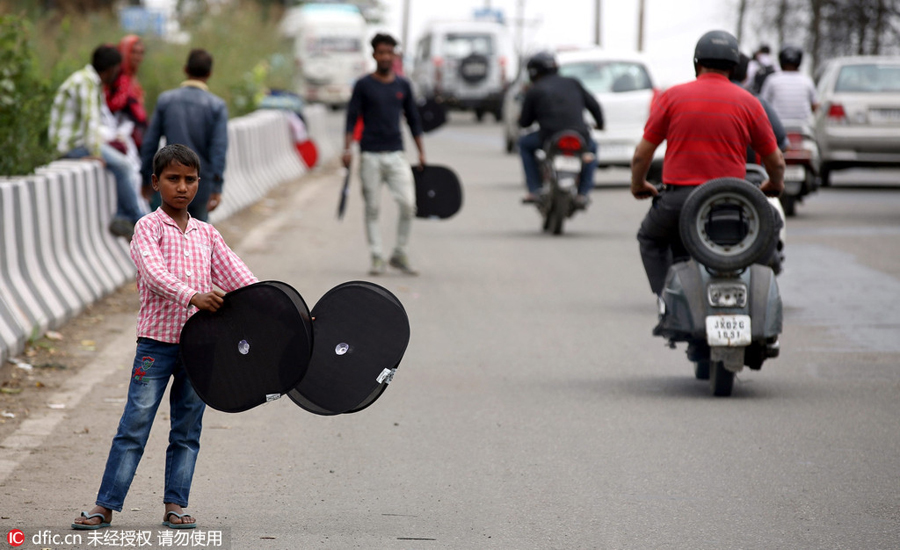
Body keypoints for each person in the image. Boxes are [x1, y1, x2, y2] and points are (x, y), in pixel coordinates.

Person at [71, 144, 258, 531]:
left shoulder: (208, 234)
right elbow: (154, 276)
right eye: (173, 179)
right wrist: (194, 296)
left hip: (200, 349)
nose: (182, 187)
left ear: (199, 184)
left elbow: (241, 279)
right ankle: (105, 506)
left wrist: (279, 308)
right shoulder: (147, 228)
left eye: (190, 180)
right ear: (156, 183)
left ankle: (176, 505)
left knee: (187, 430)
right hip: (156, 347)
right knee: (135, 425)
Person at [630, 30, 786, 296]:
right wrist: (774, 184)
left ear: (696, 63)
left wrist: (639, 185)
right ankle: (748, 292)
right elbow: (777, 162)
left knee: (650, 238)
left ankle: (667, 300)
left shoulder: (671, 97)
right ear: (734, 67)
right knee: (770, 227)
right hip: (734, 200)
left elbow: (641, 156)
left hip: (679, 201)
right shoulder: (749, 102)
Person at [342, 33, 425, 276]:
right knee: (373, 208)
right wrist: (347, 149)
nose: (386, 56)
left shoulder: (403, 86)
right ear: (374, 55)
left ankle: (399, 252)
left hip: (397, 154)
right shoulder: (363, 85)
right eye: (381, 52)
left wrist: (421, 153)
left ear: (395, 55)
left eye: (390, 52)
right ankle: (377, 256)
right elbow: (351, 119)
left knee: (408, 205)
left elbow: (414, 120)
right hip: (370, 155)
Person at [49, 44, 145, 239]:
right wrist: (96, 153)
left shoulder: (87, 80)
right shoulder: (86, 83)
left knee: (123, 165)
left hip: (76, 141)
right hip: (70, 144)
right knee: (124, 166)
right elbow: (90, 121)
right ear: (111, 69)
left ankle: (123, 216)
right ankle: (136, 220)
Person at [140, 49, 228, 222]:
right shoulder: (217, 106)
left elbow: (150, 143)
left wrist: (146, 179)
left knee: (165, 234)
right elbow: (218, 150)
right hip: (200, 185)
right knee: (198, 238)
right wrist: (217, 187)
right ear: (209, 74)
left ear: (185, 69)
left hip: (168, 180)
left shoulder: (166, 100)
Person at [517, 51, 603, 207]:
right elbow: (594, 106)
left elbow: (524, 122)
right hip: (580, 135)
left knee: (524, 144)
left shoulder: (534, 90)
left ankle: (534, 189)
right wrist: (601, 124)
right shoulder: (573, 82)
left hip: (549, 136)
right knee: (591, 151)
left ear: (533, 72)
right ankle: (583, 193)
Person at [106, 35, 148, 151]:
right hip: (121, 136)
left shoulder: (132, 79)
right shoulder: (117, 78)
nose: (138, 57)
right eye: (133, 52)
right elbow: (113, 105)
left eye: (141, 53)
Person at [759, 45, 819, 125]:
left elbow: (763, 104)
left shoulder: (772, 79)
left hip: (778, 126)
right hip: (803, 126)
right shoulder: (807, 80)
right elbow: (815, 106)